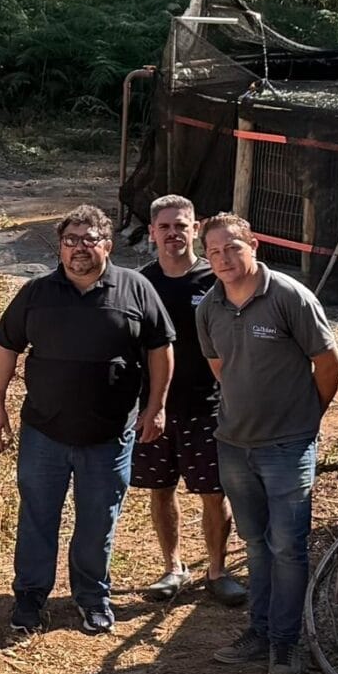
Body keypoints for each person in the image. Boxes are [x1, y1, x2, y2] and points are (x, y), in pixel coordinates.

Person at [0, 206, 173, 637]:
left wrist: (156, 406)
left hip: (109, 435)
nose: (79, 249)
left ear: (107, 244)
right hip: (43, 433)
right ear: (60, 246)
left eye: (90, 239)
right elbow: (6, 347)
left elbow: (161, 350)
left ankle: (92, 597)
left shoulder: (135, 289)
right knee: (37, 517)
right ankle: (30, 598)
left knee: (97, 520)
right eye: (71, 240)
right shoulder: (36, 292)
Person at [197, 213, 338, 674]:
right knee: (256, 545)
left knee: (288, 547)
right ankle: (258, 634)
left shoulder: (289, 297)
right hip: (235, 444)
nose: (224, 260)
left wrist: (305, 419)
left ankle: (286, 643)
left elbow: (328, 364)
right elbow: (222, 367)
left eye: (232, 248)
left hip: (287, 446)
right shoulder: (208, 307)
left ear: (253, 245)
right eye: (214, 252)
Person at [132, 195, 241, 607]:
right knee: (160, 489)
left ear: (195, 229)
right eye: (165, 227)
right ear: (152, 233)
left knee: (214, 492)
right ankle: (173, 567)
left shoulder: (216, 279)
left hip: (209, 405)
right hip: (155, 407)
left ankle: (217, 570)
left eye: (181, 226)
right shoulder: (140, 283)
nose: (173, 234)